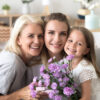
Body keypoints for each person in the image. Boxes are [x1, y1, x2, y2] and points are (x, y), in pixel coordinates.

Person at [0, 15, 44, 100]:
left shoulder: (26, 60)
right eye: (31, 36)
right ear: (18, 40)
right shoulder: (11, 64)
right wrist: (18, 95)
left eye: (40, 36)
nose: (37, 41)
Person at [64, 26, 100, 100]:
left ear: (86, 50)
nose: (72, 45)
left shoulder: (85, 69)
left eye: (79, 44)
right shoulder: (66, 61)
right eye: (70, 40)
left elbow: (86, 98)